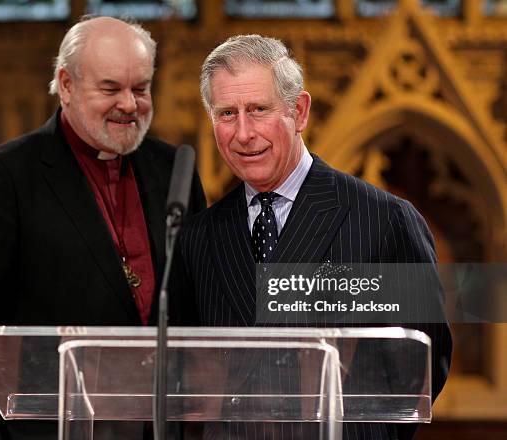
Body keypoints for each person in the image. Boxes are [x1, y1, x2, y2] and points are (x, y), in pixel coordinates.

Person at [0, 16, 205, 440]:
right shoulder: (7, 179)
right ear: (67, 84)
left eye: (141, 88)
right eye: (110, 89)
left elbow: (198, 317)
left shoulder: (175, 170)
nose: (129, 104)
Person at [175, 35, 452, 439]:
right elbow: (191, 376)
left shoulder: (384, 220)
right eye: (227, 114)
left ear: (299, 111)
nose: (244, 133)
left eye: (259, 109)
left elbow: (422, 365)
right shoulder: (198, 236)